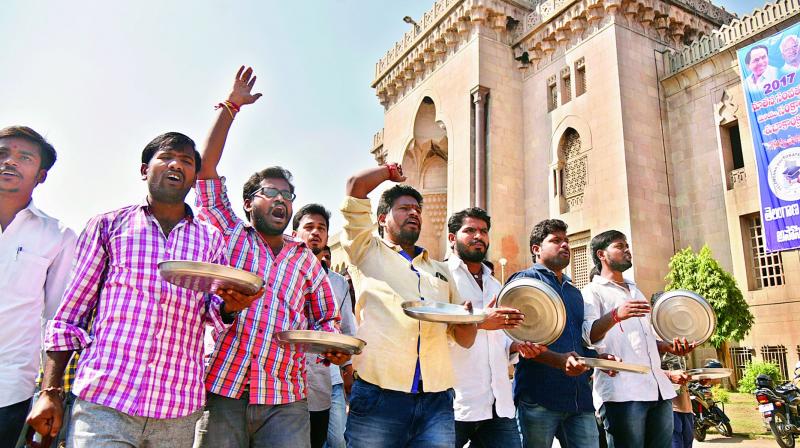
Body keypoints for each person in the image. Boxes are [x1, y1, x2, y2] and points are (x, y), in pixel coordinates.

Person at [26, 132, 261, 447]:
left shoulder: (210, 239)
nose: (176, 164)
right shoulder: (108, 226)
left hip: (176, 408)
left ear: (194, 179)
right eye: (166, 157)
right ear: (143, 169)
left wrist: (230, 306)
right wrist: (50, 392)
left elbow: (210, 314)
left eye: (187, 161)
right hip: (106, 401)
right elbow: (70, 316)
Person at [193, 67, 346, 448]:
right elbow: (206, 171)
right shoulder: (230, 235)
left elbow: (326, 317)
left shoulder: (305, 259)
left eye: (287, 195)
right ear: (248, 204)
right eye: (269, 192)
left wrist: (332, 344)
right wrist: (231, 106)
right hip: (223, 388)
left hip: (285, 397)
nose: (281, 199)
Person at [341, 163, 478, 448]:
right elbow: (355, 185)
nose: (414, 213)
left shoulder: (440, 271)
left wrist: (470, 319)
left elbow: (463, 340)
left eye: (418, 209)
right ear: (381, 219)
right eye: (404, 208)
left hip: (436, 400)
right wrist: (390, 172)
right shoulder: (366, 251)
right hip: (379, 394)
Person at [582, 230, 695, 448]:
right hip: (623, 394)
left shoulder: (636, 291)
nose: (627, 249)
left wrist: (668, 347)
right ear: (601, 254)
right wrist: (616, 315)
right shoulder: (592, 292)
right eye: (619, 245)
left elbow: (645, 340)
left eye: (627, 245)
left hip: (658, 390)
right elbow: (589, 335)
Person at [0, 126, 76, 447]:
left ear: (41, 175)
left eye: (24, 157)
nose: (9, 162)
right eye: (2, 154)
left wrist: (50, 393)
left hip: (9, 389)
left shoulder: (58, 236)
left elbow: (58, 321)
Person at [445, 207, 545, 448]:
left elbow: (499, 337)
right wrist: (479, 322)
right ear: (452, 238)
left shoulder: (495, 283)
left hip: (498, 404)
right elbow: (435, 333)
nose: (478, 236)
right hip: (455, 404)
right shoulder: (441, 277)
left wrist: (517, 346)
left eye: (483, 231)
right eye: (470, 230)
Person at [508, 219, 606, 448]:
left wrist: (599, 359)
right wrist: (558, 361)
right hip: (538, 398)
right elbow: (518, 340)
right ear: (536, 249)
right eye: (555, 240)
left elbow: (578, 343)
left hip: (579, 399)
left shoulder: (574, 292)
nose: (564, 245)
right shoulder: (524, 282)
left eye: (566, 241)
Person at [291, 205, 356, 448]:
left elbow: (346, 328)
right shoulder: (283, 272)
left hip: (326, 379)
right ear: (295, 232)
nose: (315, 233)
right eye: (308, 227)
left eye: (322, 228)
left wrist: (347, 369)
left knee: (332, 440)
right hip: (283, 378)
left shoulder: (337, 283)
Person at [662, 353, 693, 448]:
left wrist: (699, 378)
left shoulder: (682, 352)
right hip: (670, 407)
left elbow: (686, 373)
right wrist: (669, 375)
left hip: (686, 406)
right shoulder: (656, 345)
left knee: (688, 442)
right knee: (676, 443)